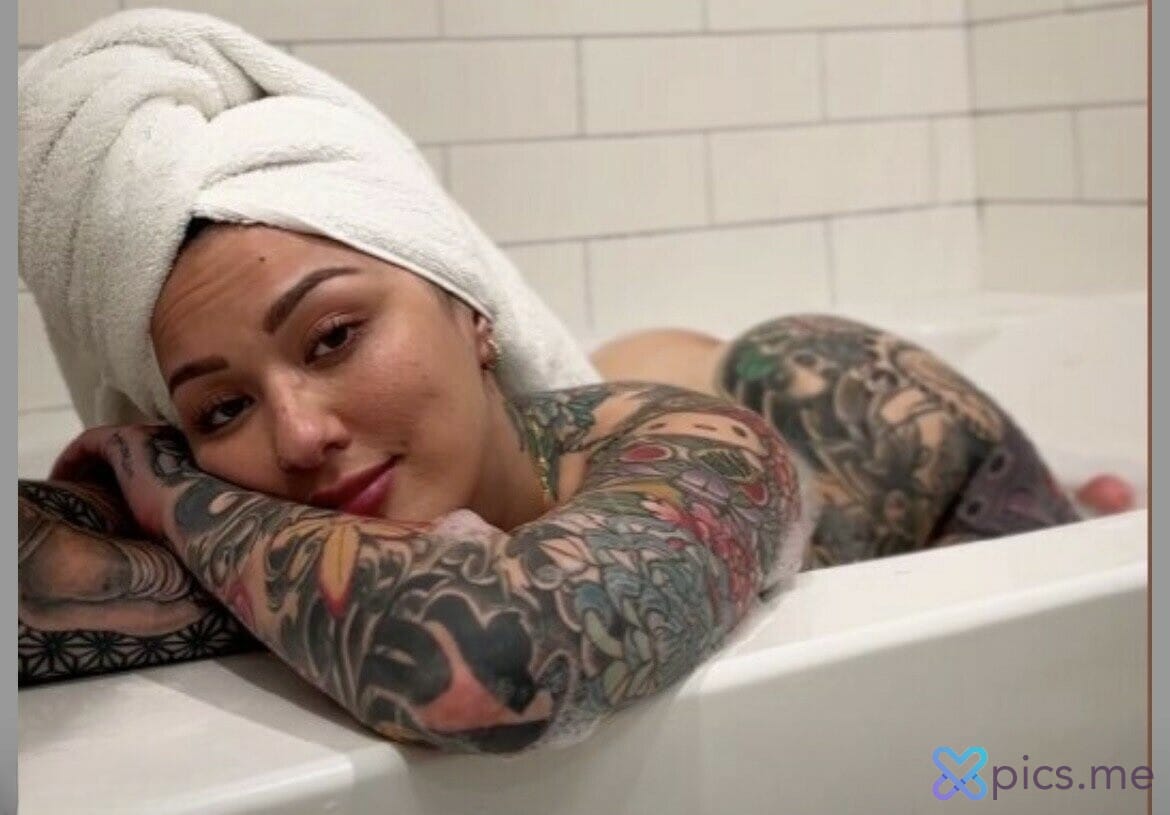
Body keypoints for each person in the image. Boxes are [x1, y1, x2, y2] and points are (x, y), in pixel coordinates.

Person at [16, 9, 1109, 755]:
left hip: (875, 454)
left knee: (790, 358)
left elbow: (490, 661)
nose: (297, 435)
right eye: (221, 406)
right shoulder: (271, 480)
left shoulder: (704, 450)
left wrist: (150, 469)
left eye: (335, 336)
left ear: (474, 312)